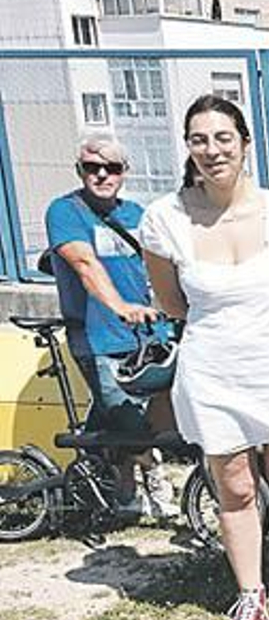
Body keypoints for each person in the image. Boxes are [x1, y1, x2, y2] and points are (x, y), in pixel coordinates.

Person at [141, 95, 269, 620]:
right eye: (199, 139)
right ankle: (249, 593)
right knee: (234, 486)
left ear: (245, 143)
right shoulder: (165, 218)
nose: (212, 150)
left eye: (223, 137)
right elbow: (172, 302)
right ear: (188, 148)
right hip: (213, 368)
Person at [43, 134, 174, 516]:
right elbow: (84, 263)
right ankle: (143, 478)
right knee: (124, 420)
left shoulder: (136, 214)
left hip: (147, 335)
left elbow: (161, 267)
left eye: (112, 168)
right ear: (79, 170)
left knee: (142, 417)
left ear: (124, 172)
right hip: (99, 337)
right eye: (92, 167)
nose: (102, 175)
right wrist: (119, 306)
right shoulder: (65, 212)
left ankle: (119, 487)